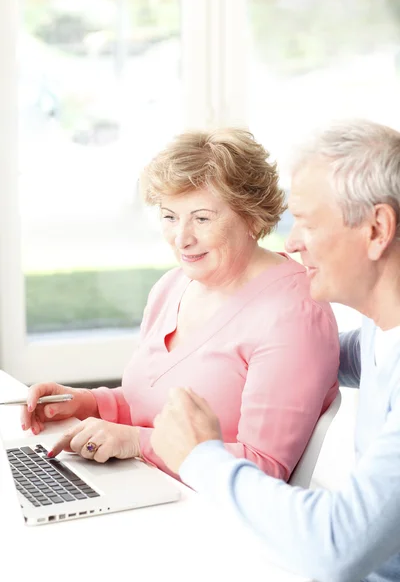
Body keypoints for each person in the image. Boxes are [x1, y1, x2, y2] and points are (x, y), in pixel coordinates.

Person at [151, 119, 400, 582]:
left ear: (376, 229)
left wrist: (200, 457)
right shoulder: (381, 332)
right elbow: (330, 353)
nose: (293, 243)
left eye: (307, 223)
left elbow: (338, 547)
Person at [21, 128, 339, 480]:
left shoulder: (293, 314)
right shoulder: (172, 286)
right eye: (170, 216)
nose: (182, 238)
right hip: (150, 489)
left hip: (217, 518)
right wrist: (89, 403)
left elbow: (264, 466)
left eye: (202, 218)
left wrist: (136, 442)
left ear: (251, 216)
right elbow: (151, 404)